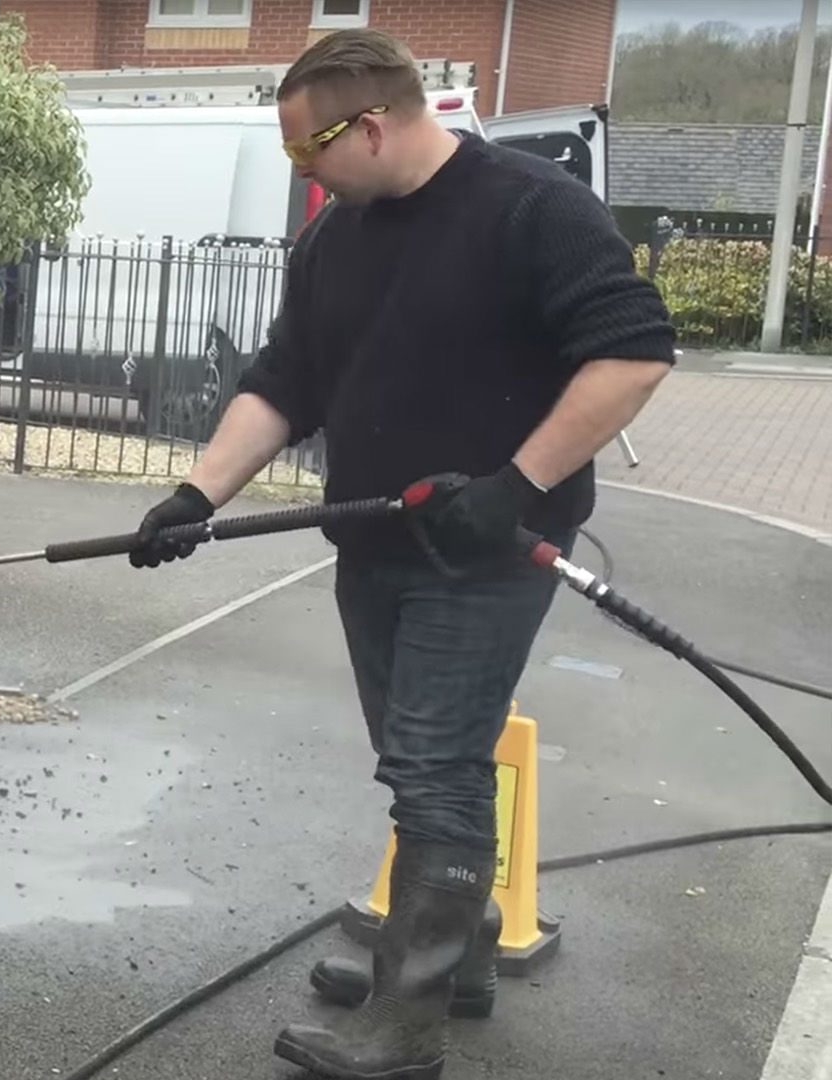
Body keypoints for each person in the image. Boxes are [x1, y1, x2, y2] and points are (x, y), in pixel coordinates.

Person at [127, 28, 675, 1080]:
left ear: (369, 125)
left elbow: (634, 353)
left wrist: (521, 483)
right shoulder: (339, 240)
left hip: (492, 549)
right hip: (373, 543)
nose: (303, 175)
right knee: (417, 760)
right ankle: (452, 958)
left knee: (434, 768)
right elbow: (285, 381)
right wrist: (196, 494)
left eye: (306, 153)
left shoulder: (531, 211)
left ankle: (405, 1025)